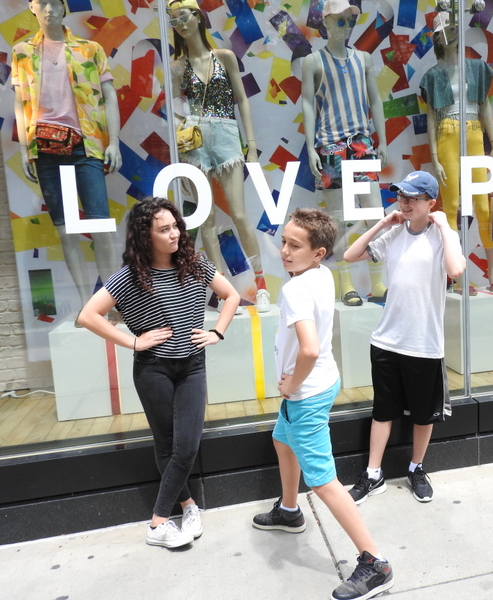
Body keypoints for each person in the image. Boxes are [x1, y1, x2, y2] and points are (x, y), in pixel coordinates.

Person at [77, 196, 240, 549]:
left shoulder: (195, 263)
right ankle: (187, 506)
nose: (174, 234)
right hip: (154, 369)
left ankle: (158, 521)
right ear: (145, 236)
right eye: (164, 229)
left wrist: (217, 332)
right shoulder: (130, 276)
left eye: (175, 226)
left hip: (192, 365)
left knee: (187, 445)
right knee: (166, 444)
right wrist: (133, 342)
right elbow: (87, 316)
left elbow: (231, 296)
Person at [251, 208, 393, 600]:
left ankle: (375, 564)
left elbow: (309, 349)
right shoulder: (320, 274)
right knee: (282, 440)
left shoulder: (295, 289)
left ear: (317, 252)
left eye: (294, 246)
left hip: (306, 393)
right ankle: (290, 510)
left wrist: (291, 384)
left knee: (324, 482)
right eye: (284, 242)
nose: (284, 251)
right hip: (324, 382)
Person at [344, 171, 466, 504]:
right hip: (386, 340)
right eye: (401, 196)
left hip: (424, 344)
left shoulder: (443, 237)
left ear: (431, 203)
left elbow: (455, 270)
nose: (405, 203)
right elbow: (350, 255)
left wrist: (445, 227)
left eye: (413, 198)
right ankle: (373, 474)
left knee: (424, 415)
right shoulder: (394, 233)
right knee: (382, 411)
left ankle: (416, 468)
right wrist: (383, 223)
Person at [13, 0, 122, 312]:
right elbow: (20, 102)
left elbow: (109, 97)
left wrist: (113, 142)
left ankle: (115, 303)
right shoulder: (22, 51)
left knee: (101, 228)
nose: (48, 8)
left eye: (54, 2)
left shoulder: (90, 49)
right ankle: (88, 306)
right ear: (32, 8)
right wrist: (24, 149)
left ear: (64, 7)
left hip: (85, 145)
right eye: (41, 3)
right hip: (45, 149)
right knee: (66, 232)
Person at [167, 0, 270, 311]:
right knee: (207, 219)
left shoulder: (224, 57)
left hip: (226, 137)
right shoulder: (177, 67)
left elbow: (242, 100)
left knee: (239, 214)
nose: (180, 25)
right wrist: (180, 153)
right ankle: (224, 291)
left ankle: (261, 285)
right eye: (173, 21)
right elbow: (175, 111)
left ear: (198, 17)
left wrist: (250, 145)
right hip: (195, 142)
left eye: (183, 17)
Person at [301, 0, 388, 306]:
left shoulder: (363, 58)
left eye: (350, 21)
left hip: (361, 143)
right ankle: (346, 285)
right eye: (340, 20)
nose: (347, 26)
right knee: (339, 220)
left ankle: (378, 282)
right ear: (326, 22)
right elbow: (307, 103)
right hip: (331, 146)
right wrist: (311, 146)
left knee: (374, 215)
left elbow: (375, 100)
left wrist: (382, 140)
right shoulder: (313, 61)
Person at [420, 12, 493, 292]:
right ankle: (457, 276)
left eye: (454, 28)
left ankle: (492, 270)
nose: (452, 34)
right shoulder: (433, 75)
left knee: (482, 205)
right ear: (437, 38)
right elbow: (431, 116)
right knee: (451, 206)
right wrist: (434, 156)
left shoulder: (476, 68)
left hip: (474, 131)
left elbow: (484, 105)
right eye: (446, 30)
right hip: (447, 132)